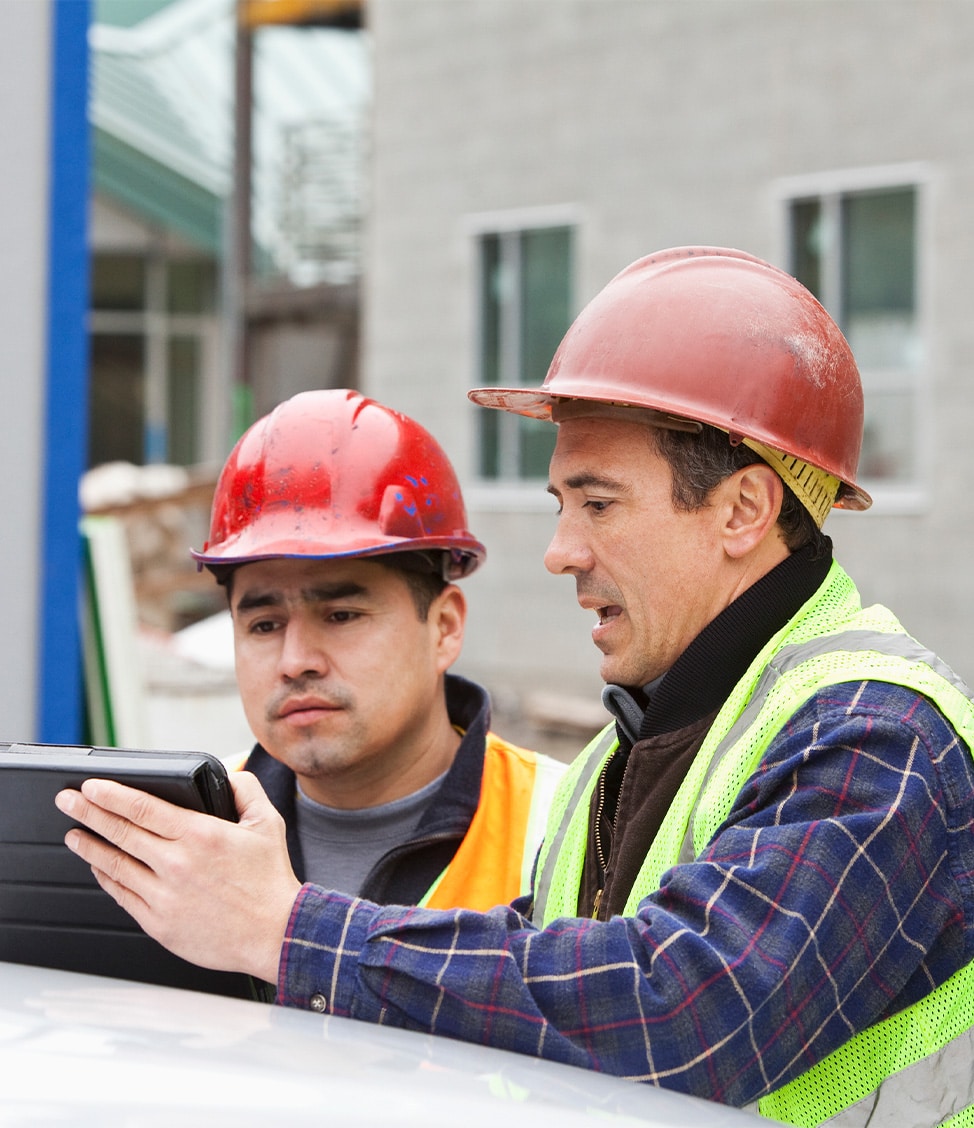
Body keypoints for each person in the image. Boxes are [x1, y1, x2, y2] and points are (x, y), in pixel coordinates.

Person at [56, 249, 974, 1127]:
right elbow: (542, 993)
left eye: (599, 503)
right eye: (560, 506)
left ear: (742, 510)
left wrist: (287, 932)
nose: (561, 552)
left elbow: (683, 1013)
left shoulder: (876, 736)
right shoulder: (635, 752)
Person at [191, 388, 565, 910]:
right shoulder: (195, 825)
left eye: (341, 616)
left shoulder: (564, 827)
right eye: (264, 625)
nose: (296, 661)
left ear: (444, 628)